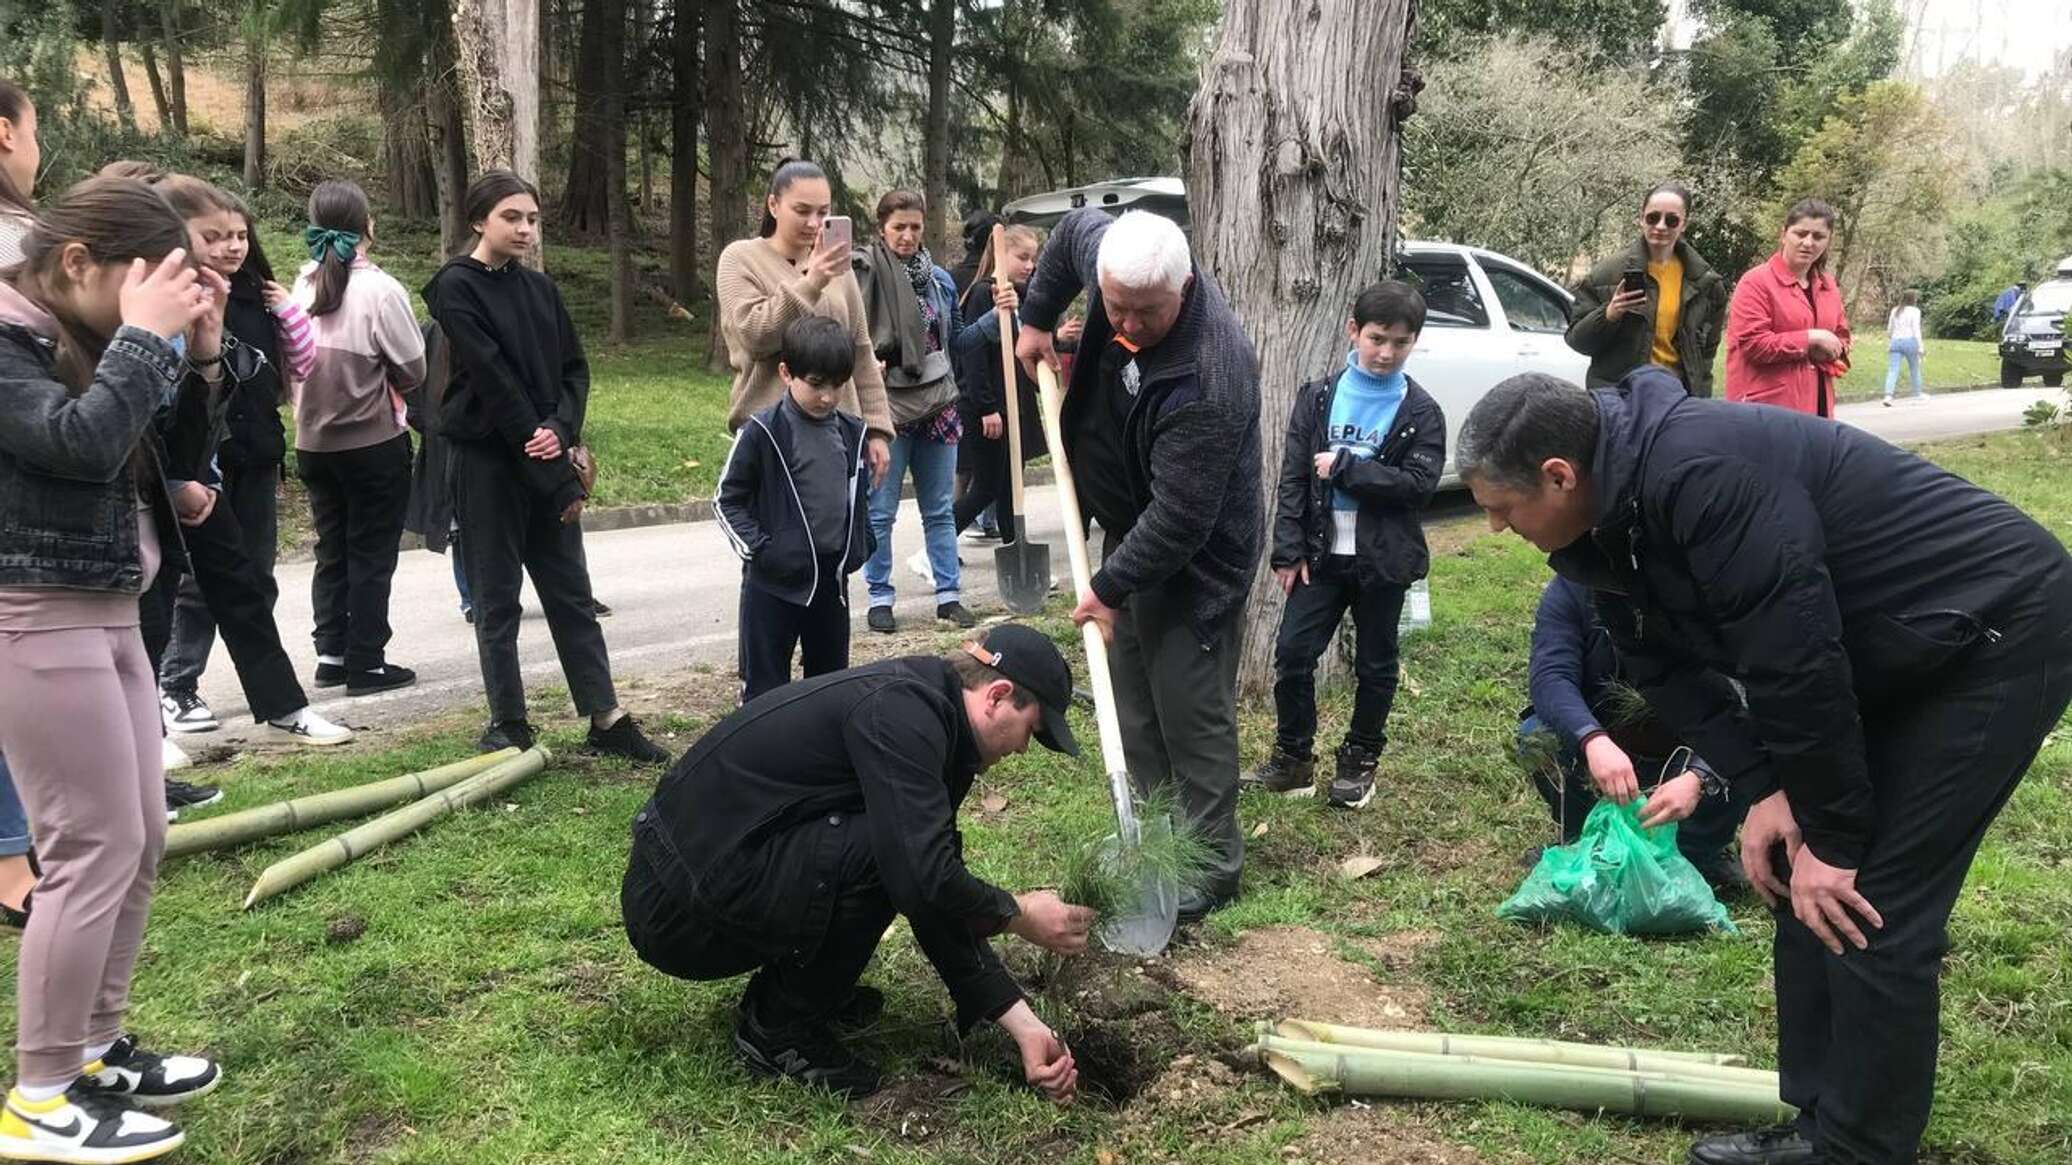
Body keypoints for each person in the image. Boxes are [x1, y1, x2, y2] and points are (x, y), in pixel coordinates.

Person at [1456, 367, 2072, 1165]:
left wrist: (1838, 835)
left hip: (1993, 629)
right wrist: (1767, 789)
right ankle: (1814, 1124)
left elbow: (1795, 657)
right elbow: (1665, 671)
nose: (1497, 529)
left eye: (1501, 510)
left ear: (1558, 475)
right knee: (1792, 867)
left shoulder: (1700, 472)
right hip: (1881, 648)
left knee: (1866, 899)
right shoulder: (1604, 521)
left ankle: (1860, 1149)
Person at [0, 177, 229, 1165]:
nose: (154, 316)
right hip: (31, 613)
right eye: (144, 289)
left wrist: (201, 356)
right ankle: (40, 1094)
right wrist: (144, 338)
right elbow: (80, 445)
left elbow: (164, 458)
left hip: (105, 604)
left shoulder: (83, 334)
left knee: (138, 835)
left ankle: (95, 1044)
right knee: (88, 846)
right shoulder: (4, 337)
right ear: (79, 265)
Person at [621, 624, 1089, 1102]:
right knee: (891, 858)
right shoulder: (904, 714)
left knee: (905, 853)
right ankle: (778, 1028)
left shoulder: (935, 721)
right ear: (998, 695)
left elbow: (934, 892)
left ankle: (802, 992)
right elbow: (921, 879)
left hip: (698, 880)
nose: (1023, 749)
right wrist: (1019, 912)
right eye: (1032, 729)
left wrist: (1023, 1024)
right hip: (673, 911)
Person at [1016, 208, 1263, 920]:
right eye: (1113, 304)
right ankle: (1154, 840)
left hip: (1196, 559)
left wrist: (1106, 584)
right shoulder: (1115, 258)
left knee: (1189, 706)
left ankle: (1211, 865)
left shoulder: (1211, 371)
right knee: (1131, 694)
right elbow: (1067, 237)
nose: (1125, 321)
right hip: (1130, 525)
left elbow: (1183, 518)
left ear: (1184, 287)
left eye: (1144, 312)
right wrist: (1037, 319)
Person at [422, 170, 667, 762]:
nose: (526, 228)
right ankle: (509, 722)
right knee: (497, 597)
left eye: (532, 218)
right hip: (487, 463)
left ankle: (606, 717)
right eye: (512, 217)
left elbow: (574, 370)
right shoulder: (454, 286)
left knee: (570, 591)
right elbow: (490, 374)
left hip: (545, 454)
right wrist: (535, 436)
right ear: (480, 220)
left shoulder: (541, 290)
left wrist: (558, 430)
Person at [150, 176, 348, 747]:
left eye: (238, 235)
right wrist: (177, 476)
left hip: (244, 459)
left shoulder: (254, 295)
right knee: (176, 590)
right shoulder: (162, 301)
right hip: (176, 475)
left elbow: (284, 370)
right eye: (213, 236)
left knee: (249, 584)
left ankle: (285, 706)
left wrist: (284, 314)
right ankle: (172, 693)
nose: (231, 247)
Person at [1242, 281, 1445, 809]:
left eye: (1401, 342)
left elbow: (1417, 488)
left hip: (1385, 560)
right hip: (1321, 556)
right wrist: (1288, 550)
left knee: (1376, 664)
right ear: (1353, 330)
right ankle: (1293, 759)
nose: (1386, 352)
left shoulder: (1422, 412)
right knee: (1292, 653)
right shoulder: (1317, 398)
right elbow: (1293, 478)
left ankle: (1359, 760)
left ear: (1414, 342)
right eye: (1377, 338)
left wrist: (1350, 468)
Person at [1517, 575, 1746, 887]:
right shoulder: (1573, 587)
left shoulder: (1703, 577)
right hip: (1605, 747)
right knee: (1536, 736)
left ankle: (1700, 852)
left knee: (1754, 735)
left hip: (1688, 746)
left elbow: (1743, 691)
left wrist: (1700, 776)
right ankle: (1584, 839)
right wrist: (1590, 738)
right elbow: (1550, 676)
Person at [291, 180, 423, 695]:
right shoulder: (381, 291)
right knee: (371, 551)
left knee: (332, 548)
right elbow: (413, 367)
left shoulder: (300, 285)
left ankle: (332, 653)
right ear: (368, 226)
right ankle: (367, 661)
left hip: (311, 444)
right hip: (371, 443)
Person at [716, 158, 891, 516]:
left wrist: (876, 429)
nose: (813, 223)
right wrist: (811, 282)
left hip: (837, 432)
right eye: (802, 210)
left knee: (835, 548)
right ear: (773, 205)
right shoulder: (741, 258)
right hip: (772, 434)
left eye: (823, 212)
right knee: (781, 551)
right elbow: (755, 335)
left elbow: (859, 350)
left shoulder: (837, 268)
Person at [717, 315, 874, 701]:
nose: (827, 396)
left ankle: (817, 757)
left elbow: (856, 498)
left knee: (829, 687)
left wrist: (861, 543)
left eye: (838, 385)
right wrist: (762, 550)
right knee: (765, 690)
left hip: (831, 583)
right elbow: (726, 499)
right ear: (787, 373)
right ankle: (763, 756)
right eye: (816, 384)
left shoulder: (853, 432)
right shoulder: (762, 432)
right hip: (774, 585)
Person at [854, 190, 972, 632]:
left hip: (938, 404)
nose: (907, 235)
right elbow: (848, 335)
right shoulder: (863, 273)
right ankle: (880, 597)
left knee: (940, 509)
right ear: (882, 227)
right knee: (880, 511)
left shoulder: (939, 280)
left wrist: (1001, 318)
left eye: (915, 227)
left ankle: (949, 596)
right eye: (898, 226)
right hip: (887, 409)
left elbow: (955, 341)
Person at [1564, 182, 1729, 397]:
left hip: (1677, 398)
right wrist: (1609, 314)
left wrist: (1700, 398)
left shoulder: (1705, 283)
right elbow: (1578, 341)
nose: (1661, 226)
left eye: (1671, 220)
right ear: (1641, 218)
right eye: (1653, 217)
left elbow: (1706, 353)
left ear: (1684, 224)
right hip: (1621, 398)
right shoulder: (1607, 274)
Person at [949, 224, 1047, 545]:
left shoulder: (1017, 296)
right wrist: (987, 407)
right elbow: (972, 357)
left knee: (1009, 484)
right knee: (988, 486)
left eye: (1033, 258)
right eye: (1022, 257)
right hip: (987, 409)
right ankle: (937, 545)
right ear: (1001, 254)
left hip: (1010, 407)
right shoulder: (982, 294)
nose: (1030, 265)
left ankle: (1014, 546)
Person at [1724, 199, 1851, 417]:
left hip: (1818, 408)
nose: (1808, 243)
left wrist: (1836, 349)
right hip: (1765, 412)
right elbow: (1754, 344)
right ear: (1783, 234)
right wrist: (1811, 338)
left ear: (1828, 242)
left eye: (1818, 237)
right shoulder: (1756, 282)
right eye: (1800, 234)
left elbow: (1842, 335)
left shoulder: (1828, 285)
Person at [1881, 289, 1926, 406]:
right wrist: (1920, 346)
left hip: (1896, 342)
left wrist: (1891, 339)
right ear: (1913, 299)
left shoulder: (1895, 310)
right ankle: (1917, 394)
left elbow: (1890, 329)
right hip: (1910, 341)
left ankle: (1888, 396)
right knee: (1914, 369)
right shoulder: (1915, 311)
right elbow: (1916, 329)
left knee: (1892, 370)